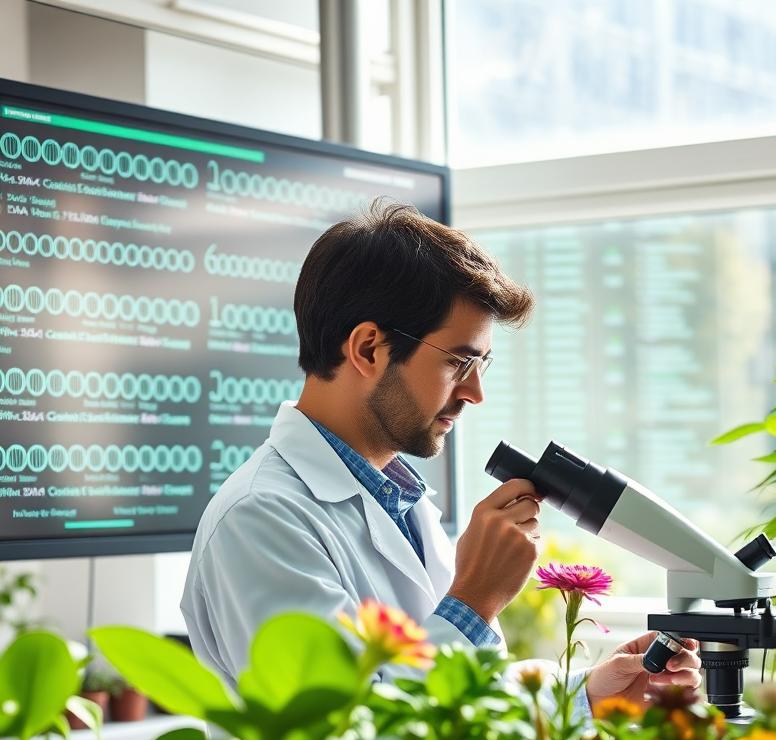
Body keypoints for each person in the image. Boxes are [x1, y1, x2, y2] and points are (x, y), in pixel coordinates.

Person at [181, 200, 700, 711]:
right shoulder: (258, 518)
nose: (475, 393)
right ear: (367, 349)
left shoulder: (404, 502)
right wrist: (474, 601)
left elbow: (460, 701)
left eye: (481, 365)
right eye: (459, 362)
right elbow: (347, 738)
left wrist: (585, 695)